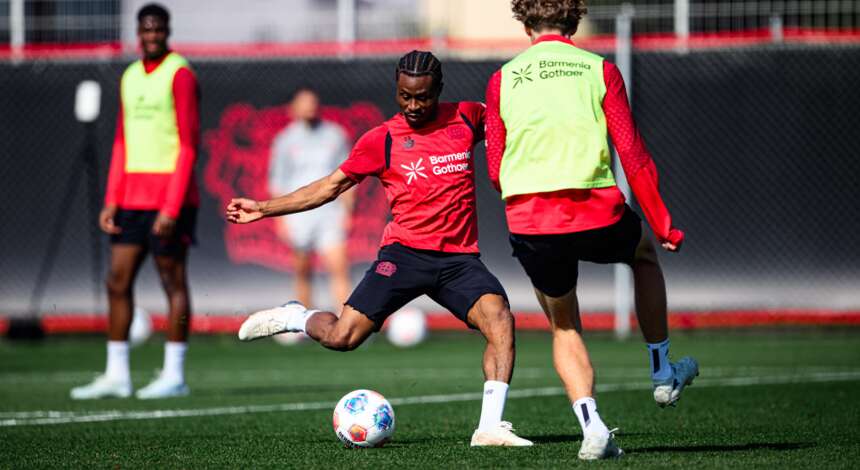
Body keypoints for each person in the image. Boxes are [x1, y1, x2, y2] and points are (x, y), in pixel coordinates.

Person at [228, 50, 532, 447]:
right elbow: (328, 187)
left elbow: (518, 122)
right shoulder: (382, 139)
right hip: (404, 254)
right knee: (342, 337)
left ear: (438, 90)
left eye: (422, 96)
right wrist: (264, 209)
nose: (413, 105)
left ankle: (489, 426)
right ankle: (296, 317)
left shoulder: (467, 117)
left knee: (500, 320)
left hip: (458, 260)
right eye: (405, 96)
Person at [484, 0, 699, 459]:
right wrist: (663, 224)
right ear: (575, 20)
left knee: (564, 325)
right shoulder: (599, 69)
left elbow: (495, 168)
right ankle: (662, 372)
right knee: (643, 252)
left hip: (530, 219)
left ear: (524, 21)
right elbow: (633, 155)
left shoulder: (503, 78)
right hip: (594, 211)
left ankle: (593, 428)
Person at [71, 3, 199, 400]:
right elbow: (123, 140)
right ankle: (117, 374)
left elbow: (189, 145)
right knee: (117, 281)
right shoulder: (129, 76)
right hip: (130, 199)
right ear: (137, 32)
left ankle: (174, 375)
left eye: (158, 29)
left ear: (167, 31)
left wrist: (171, 208)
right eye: (145, 29)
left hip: (168, 200)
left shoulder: (180, 74)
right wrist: (112, 198)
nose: (151, 36)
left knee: (172, 282)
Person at [269, 87, 352, 310]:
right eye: (304, 103)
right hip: (299, 214)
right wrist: (280, 219)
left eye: (312, 102)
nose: (309, 107)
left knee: (338, 266)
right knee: (302, 270)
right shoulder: (285, 140)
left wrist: (347, 212)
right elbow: (278, 181)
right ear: (294, 108)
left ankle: (348, 322)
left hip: (329, 213)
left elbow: (349, 176)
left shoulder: (335, 135)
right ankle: (304, 323)